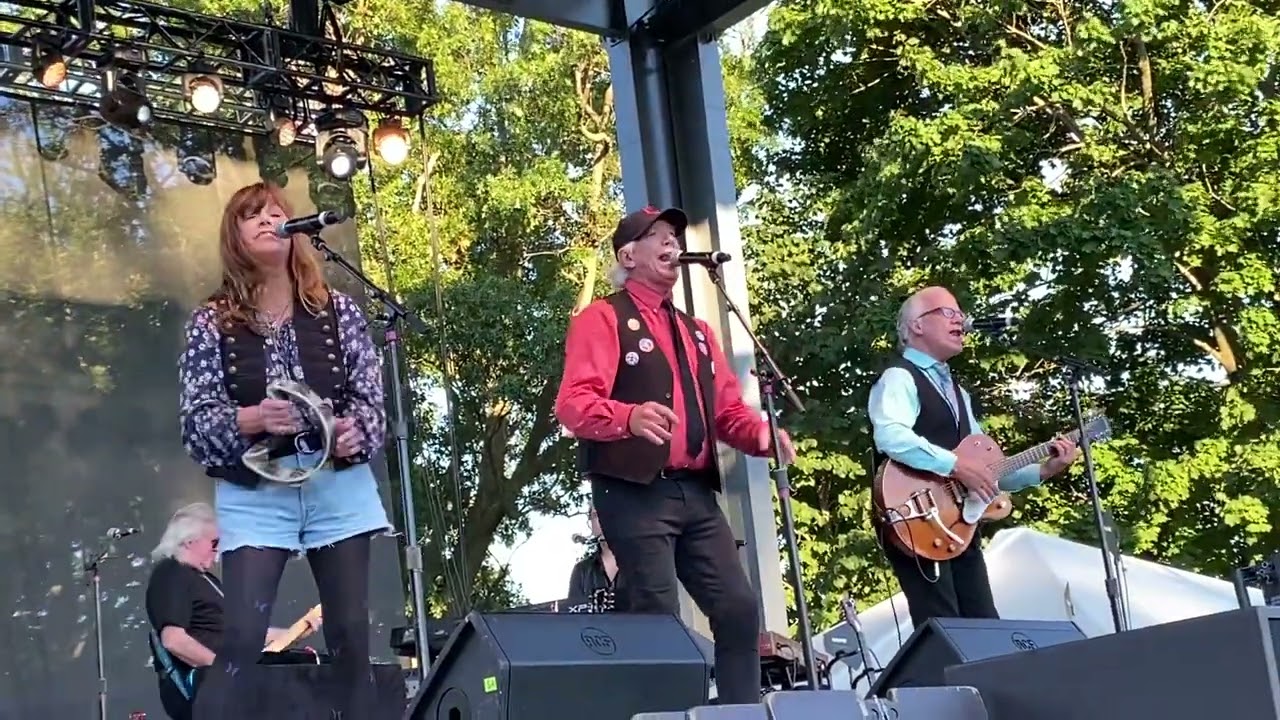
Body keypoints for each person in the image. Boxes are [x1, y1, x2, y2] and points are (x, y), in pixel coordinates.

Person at [555, 206, 797, 705]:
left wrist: (763, 435)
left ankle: (739, 716)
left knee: (737, 608)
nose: (672, 244)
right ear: (629, 254)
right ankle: (656, 714)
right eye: (658, 236)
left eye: (675, 235)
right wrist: (627, 418)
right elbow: (573, 404)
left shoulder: (698, 333)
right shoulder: (602, 318)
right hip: (634, 489)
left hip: (694, 491)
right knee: (655, 610)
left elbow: (727, 413)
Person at [177, 182, 389, 719]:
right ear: (236, 237)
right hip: (256, 490)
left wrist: (352, 430)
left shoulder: (338, 311)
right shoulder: (212, 320)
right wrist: (250, 418)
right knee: (243, 637)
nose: (270, 220)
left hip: (336, 484)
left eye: (278, 212)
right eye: (254, 216)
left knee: (350, 637)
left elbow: (373, 406)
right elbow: (195, 421)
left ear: (298, 233)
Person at [867, 286, 1079, 627]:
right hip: (915, 516)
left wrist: (1045, 469)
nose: (962, 321)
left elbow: (987, 470)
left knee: (984, 624)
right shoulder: (899, 377)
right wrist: (956, 466)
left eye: (960, 314)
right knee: (943, 625)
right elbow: (890, 435)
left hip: (959, 526)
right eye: (949, 313)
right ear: (917, 325)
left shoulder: (957, 392)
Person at [145, 503, 318, 720]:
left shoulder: (207, 580)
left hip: (237, 670)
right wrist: (227, 673)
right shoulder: (171, 573)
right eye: (214, 542)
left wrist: (296, 631)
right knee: (313, 674)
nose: (218, 550)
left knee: (317, 664)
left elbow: (245, 634)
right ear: (189, 540)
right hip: (210, 684)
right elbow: (174, 640)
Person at [565, 506, 619, 612]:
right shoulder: (581, 570)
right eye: (595, 515)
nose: (602, 520)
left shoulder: (644, 565)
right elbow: (574, 617)